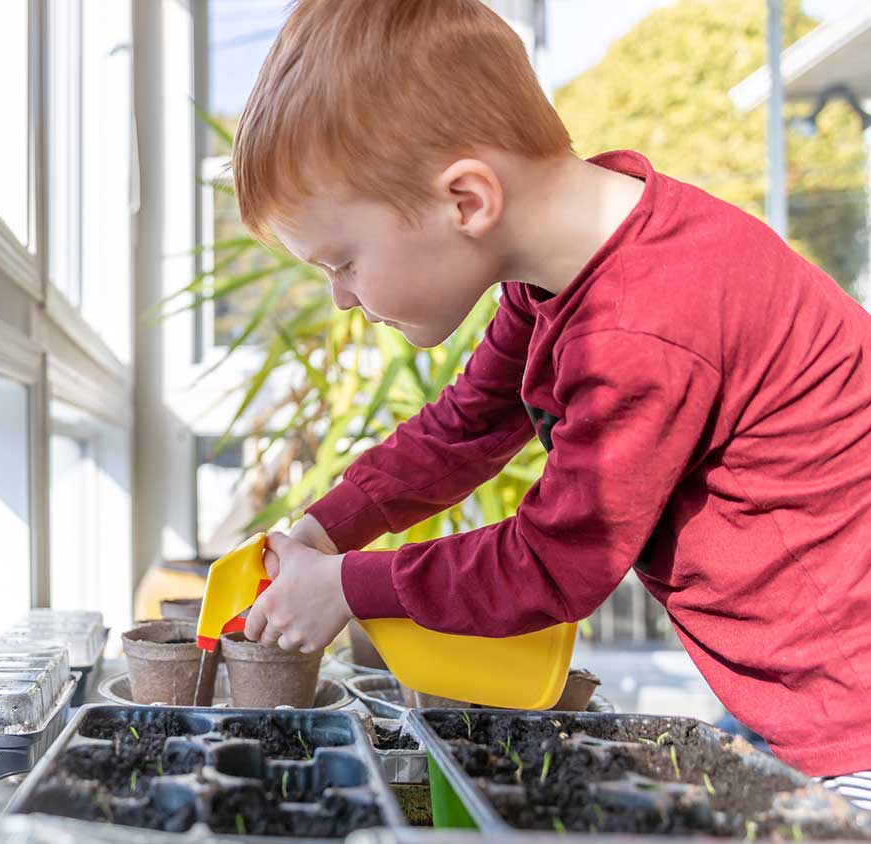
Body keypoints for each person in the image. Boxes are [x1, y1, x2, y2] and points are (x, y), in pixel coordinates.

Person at [231, 0, 871, 797]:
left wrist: (350, 588)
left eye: (345, 263)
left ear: (466, 200)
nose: (341, 299)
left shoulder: (642, 323)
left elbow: (553, 563)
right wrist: (322, 532)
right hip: (803, 694)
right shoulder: (560, 271)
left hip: (853, 717)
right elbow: (464, 426)